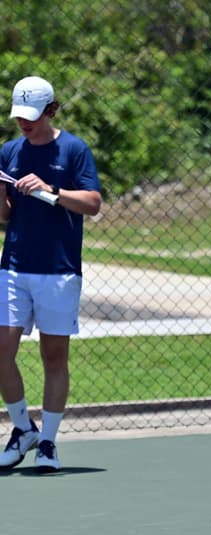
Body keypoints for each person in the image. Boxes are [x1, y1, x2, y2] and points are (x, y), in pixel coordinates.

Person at [0, 76, 102, 472]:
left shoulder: (73, 149)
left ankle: (47, 443)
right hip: (13, 268)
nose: (24, 123)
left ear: (51, 110)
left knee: (54, 356)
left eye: (32, 116)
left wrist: (51, 190)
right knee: (2, 350)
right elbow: (4, 216)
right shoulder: (8, 151)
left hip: (58, 271)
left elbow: (92, 204)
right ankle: (23, 428)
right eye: (19, 116)